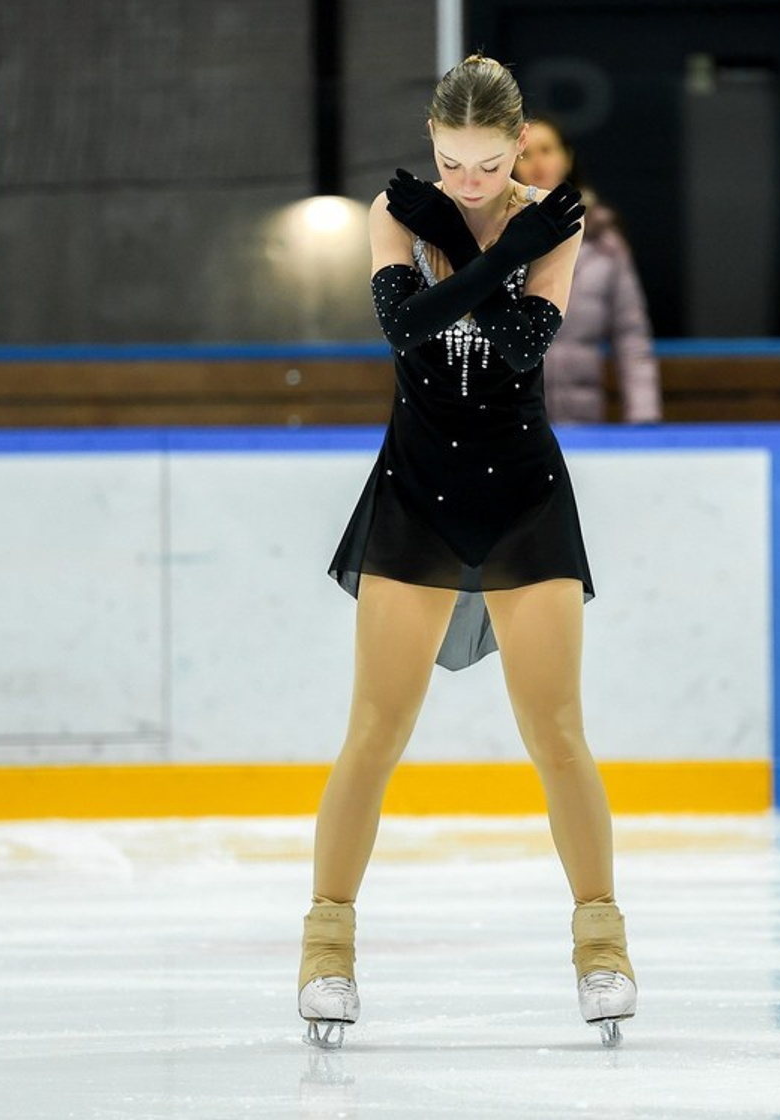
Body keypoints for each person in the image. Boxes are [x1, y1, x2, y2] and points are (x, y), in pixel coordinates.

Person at [300, 55, 636, 1050]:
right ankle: (325, 950)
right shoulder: (399, 214)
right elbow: (407, 329)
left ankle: (602, 947)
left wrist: (486, 246)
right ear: (432, 144)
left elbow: (519, 346)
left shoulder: (552, 220)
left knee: (557, 731)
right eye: (450, 163)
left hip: (521, 493)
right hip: (414, 491)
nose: (468, 183)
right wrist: (475, 241)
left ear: (518, 147)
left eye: (488, 166)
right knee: (374, 727)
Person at [514, 117, 662, 424]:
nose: (537, 163)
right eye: (525, 154)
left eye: (547, 150)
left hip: (580, 423)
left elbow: (631, 335)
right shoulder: (494, 238)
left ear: (567, 158)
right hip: (512, 425)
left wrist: (644, 417)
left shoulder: (604, 243)